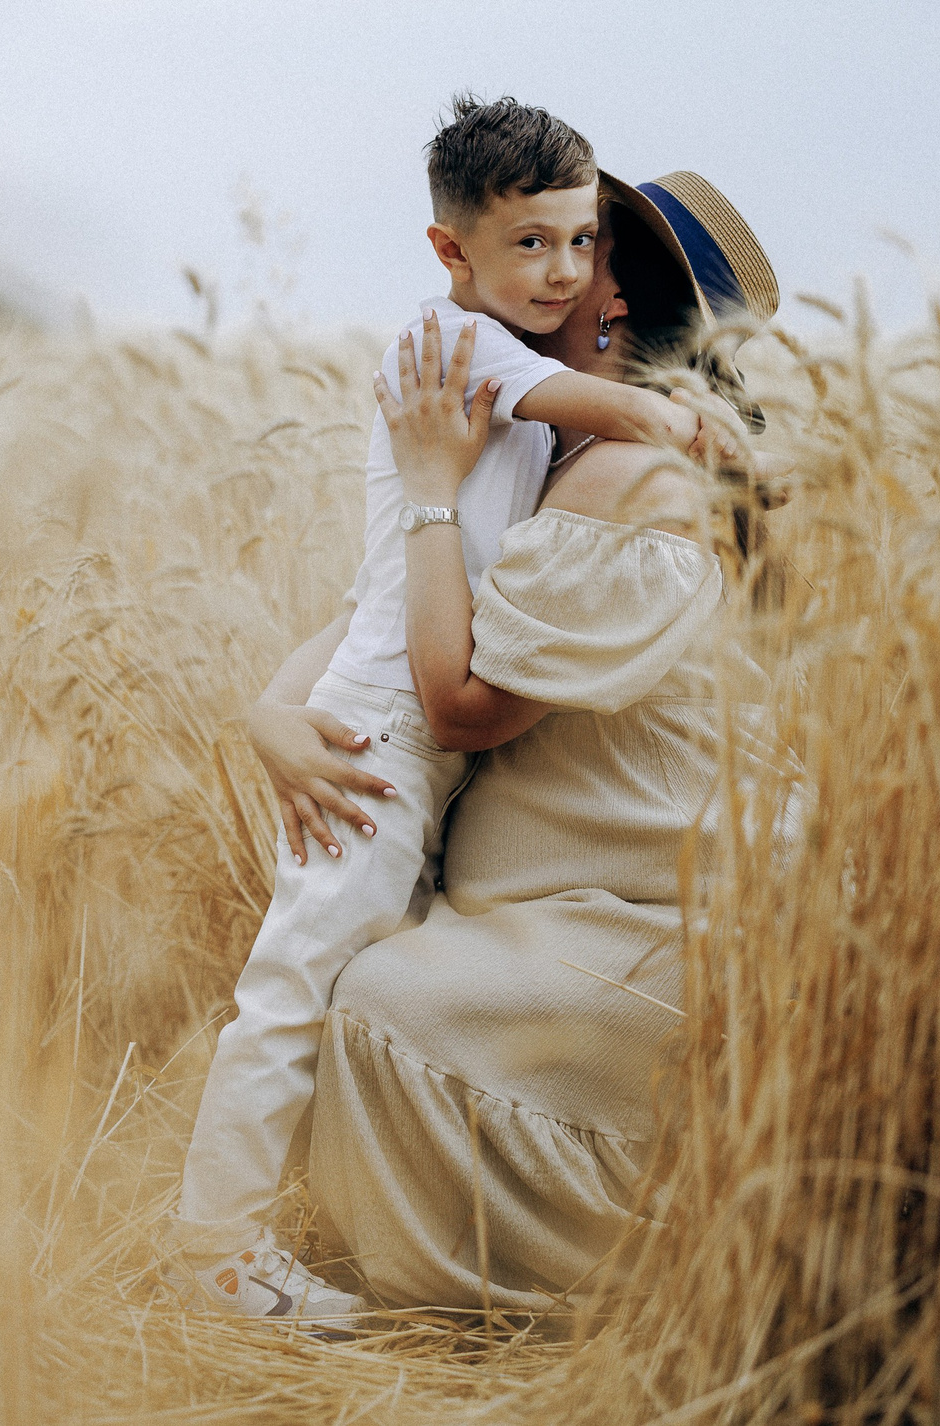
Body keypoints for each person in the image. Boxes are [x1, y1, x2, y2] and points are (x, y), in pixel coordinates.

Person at [163, 97, 751, 1328]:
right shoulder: (476, 363)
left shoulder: (572, 446)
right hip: (390, 748)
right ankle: (214, 1249)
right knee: (300, 977)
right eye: (542, 245)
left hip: (542, 853)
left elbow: (460, 688)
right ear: (461, 250)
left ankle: (235, 1244)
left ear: (624, 297)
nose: (567, 273)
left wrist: (440, 486)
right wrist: (272, 710)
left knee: (325, 977)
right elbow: (391, 603)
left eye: (588, 247)